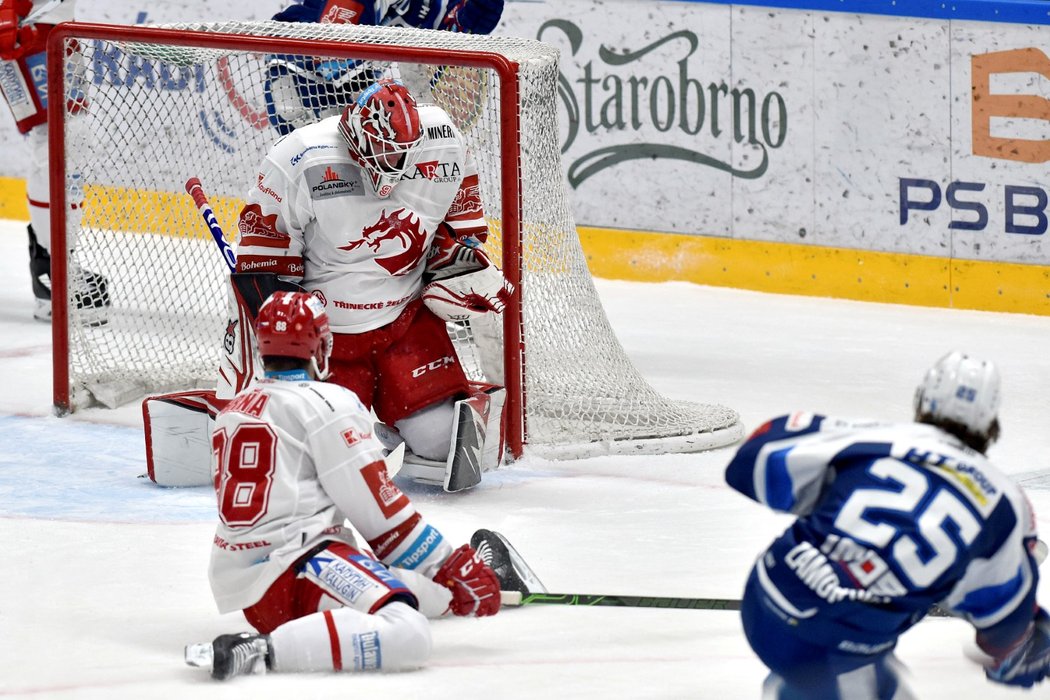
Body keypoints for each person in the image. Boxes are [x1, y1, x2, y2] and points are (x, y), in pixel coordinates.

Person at [185, 290, 501, 680]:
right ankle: (262, 651)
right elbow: (378, 512)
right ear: (320, 346)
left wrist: (445, 576)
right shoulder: (325, 404)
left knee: (422, 590)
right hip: (295, 572)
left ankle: (457, 590)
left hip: (255, 581)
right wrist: (448, 562)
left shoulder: (238, 406)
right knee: (409, 634)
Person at [220, 76, 510, 496]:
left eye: (401, 154)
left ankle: (415, 414)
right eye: (381, 151)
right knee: (318, 463)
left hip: (404, 321)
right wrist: (296, 350)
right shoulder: (300, 157)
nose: (390, 165)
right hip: (328, 339)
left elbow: (463, 234)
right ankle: (363, 429)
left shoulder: (445, 140)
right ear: (353, 131)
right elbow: (259, 271)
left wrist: (457, 267)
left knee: (443, 443)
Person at [725, 351, 1050, 698]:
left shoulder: (877, 438)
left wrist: (833, 491)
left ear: (922, 401)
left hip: (765, 596)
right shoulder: (1006, 504)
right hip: (835, 646)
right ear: (992, 426)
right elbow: (1007, 627)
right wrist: (1025, 644)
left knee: (877, 685)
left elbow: (749, 463)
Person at [0, 0, 109, 322]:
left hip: (55, 23)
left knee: (69, 136)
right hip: (28, 23)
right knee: (56, 138)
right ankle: (53, 270)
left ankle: (56, 265)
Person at [265, 0, 505, 135]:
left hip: (345, 91)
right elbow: (333, 59)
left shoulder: (429, 7)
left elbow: (464, 25)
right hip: (297, 75)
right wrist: (391, 120)